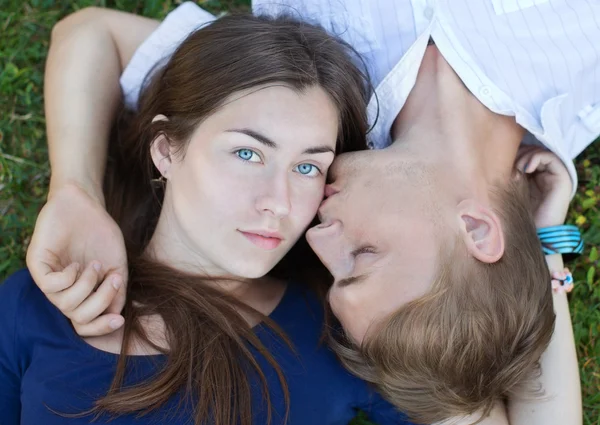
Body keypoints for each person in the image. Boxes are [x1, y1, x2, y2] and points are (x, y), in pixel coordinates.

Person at [25, 1, 590, 424]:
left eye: (333, 271)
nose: (317, 237)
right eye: (363, 257)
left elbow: (92, 34)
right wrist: (539, 248)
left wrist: (75, 192)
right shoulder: (584, 71)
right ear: (475, 227)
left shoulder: (311, 94)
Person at [0, 11, 417, 425]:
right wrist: (75, 194)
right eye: (247, 153)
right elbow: (89, 31)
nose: (279, 202)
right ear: (166, 151)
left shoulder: (345, 327)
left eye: (307, 167)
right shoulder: (41, 303)